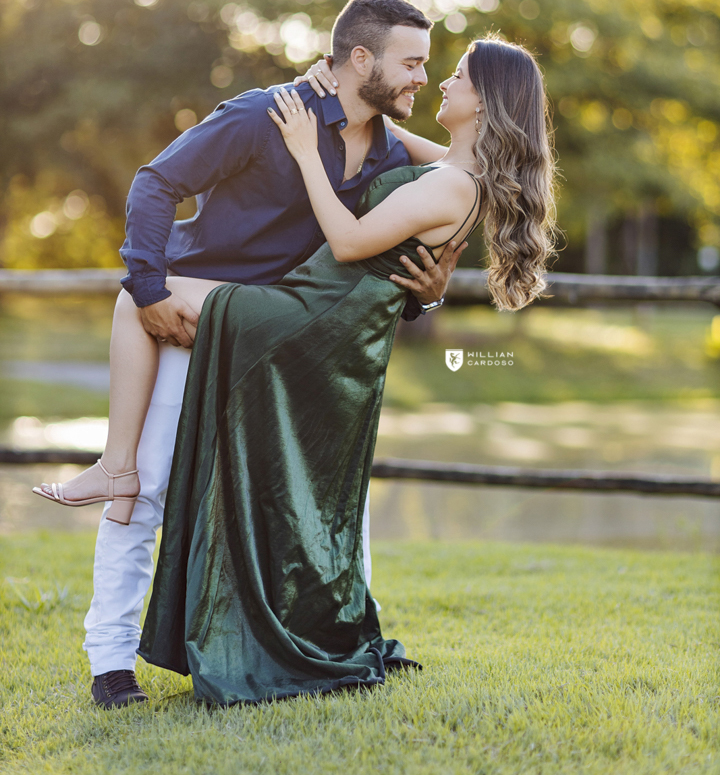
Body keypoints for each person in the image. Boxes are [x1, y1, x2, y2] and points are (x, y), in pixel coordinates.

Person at [32, 0, 463, 708]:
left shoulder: (388, 148)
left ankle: (344, 642)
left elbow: (457, 178)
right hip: (195, 327)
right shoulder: (263, 115)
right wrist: (148, 293)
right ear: (360, 59)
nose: (422, 76)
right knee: (146, 485)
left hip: (283, 349)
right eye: (411, 62)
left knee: (326, 502)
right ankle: (110, 663)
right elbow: (156, 181)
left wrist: (430, 288)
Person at [136, 36, 559, 706]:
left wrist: (306, 153)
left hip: (309, 315)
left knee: (137, 296)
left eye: (456, 77)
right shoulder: (452, 165)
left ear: (485, 101)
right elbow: (380, 128)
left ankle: (112, 464)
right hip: (327, 316)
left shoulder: (454, 183)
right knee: (151, 299)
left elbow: (350, 241)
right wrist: (337, 85)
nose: (441, 83)